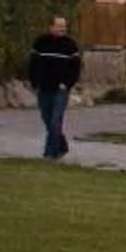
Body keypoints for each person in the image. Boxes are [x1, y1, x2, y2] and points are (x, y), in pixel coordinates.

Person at [28, 16, 83, 159]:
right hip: (44, 88)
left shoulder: (70, 45)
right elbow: (32, 65)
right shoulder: (40, 43)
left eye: (64, 26)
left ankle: (50, 153)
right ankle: (62, 146)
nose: (62, 29)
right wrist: (35, 83)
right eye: (59, 26)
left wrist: (67, 84)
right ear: (51, 27)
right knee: (48, 120)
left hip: (60, 89)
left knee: (55, 120)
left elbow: (76, 68)